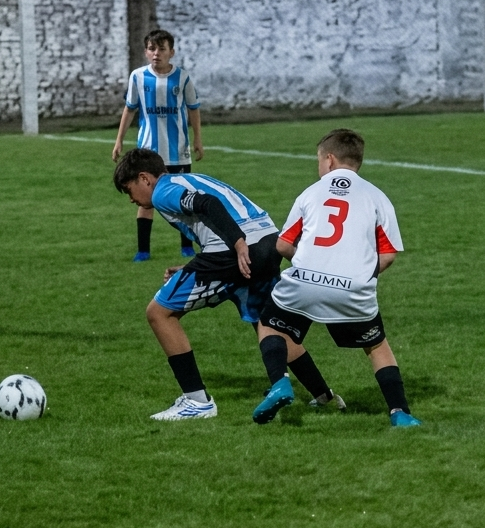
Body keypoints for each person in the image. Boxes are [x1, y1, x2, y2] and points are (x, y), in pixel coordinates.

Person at [113, 148, 343, 421]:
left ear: (144, 178)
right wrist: (194, 265)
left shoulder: (163, 191)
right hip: (269, 242)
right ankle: (322, 396)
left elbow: (208, 205)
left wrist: (237, 243)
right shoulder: (192, 178)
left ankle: (197, 402)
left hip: (234, 252)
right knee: (268, 324)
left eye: (129, 190)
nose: (131, 200)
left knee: (159, 312)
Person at [252, 129, 422, 427]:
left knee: (270, 327)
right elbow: (388, 255)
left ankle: (280, 382)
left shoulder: (311, 192)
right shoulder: (377, 197)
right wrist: (357, 274)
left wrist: (311, 265)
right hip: (353, 288)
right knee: (376, 347)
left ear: (329, 160)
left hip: (304, 280)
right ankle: (401, 413)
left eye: (318, 159)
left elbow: (282, 245)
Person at [111, 29, 203, 262]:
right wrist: (119, 139)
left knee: (184, 201)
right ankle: (143, 250)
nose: (156, 54)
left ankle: (187, 246)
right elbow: (130, 108)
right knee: (145, 201)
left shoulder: (182, 78)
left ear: (171, 52)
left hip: (178, 152)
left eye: (162, 49)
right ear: (146, 51)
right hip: (148, 154)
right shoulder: (138, 77)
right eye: (152, 49)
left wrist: (198, 139)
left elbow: (193, 108)